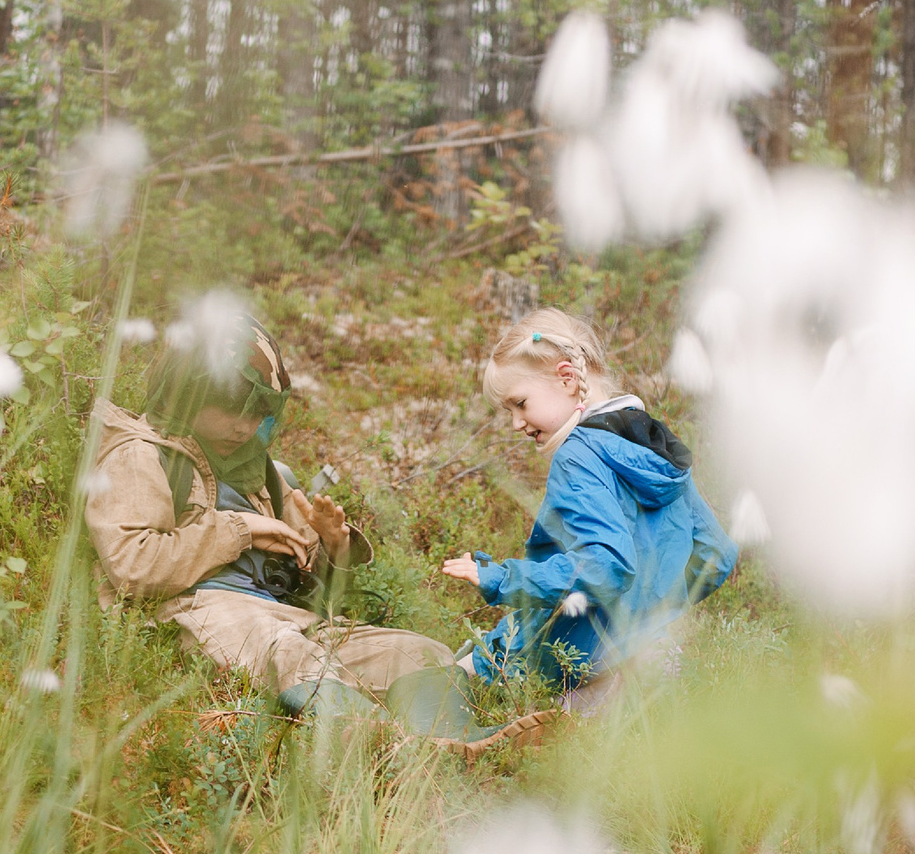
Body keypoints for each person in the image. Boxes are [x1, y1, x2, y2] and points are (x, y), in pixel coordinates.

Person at [86, 312, 543, 752]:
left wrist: (333, 544)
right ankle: (390, 750)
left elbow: (310, 576)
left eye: (258, 411)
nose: (245, 426)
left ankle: (454, 744)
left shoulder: (258, 469)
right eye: (230, 407)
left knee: (419, 652)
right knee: (287, 651)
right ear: (186, 391)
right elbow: (133, 566)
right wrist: (240, 529)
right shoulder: (139, 455)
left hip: (287, 617)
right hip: (197, 611)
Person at [441, 309, 736, 705]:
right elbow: (717, 554)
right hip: (660, 656)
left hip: (583, 667)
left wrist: (502, 578)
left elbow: (604, 567)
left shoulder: (578, 456)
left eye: (520, 403)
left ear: (567, 378)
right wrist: (652, 613)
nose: (515, 423)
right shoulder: (649, 442)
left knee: (441, 694)